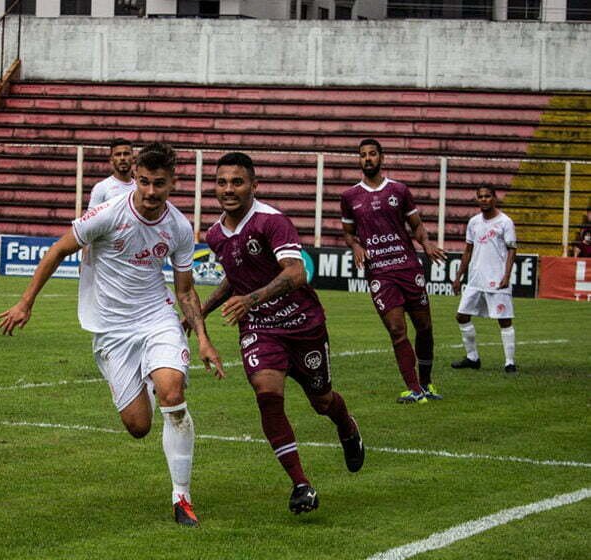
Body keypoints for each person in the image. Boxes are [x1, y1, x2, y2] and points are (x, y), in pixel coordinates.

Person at [0, 142, 225, 527]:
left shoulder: (179, 227)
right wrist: (25, 303)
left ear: (173, 182)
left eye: (160, 184)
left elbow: (185, 290)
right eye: (144, 182)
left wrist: (202, 338)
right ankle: (151, 381)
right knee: (139, 426)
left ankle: (181, 497)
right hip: (111, 329)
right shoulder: (106, 214)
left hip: (157, 317)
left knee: (173, 393)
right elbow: (56, 251)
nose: (151, 192)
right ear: (134, 177)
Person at [199, 152, 364, 515]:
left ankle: (347, 425)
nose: (228, 189)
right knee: (267, 393)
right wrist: (202, 311)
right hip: (260, 328)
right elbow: (236, 276)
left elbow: (295, 273)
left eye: (237, 182)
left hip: (302, 324)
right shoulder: (214, 234)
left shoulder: (272, 222)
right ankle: (300, 484)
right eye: (222, 182)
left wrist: (251, 298)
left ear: (253, 185)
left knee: (322, 401)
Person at [340, 139, 447, 404]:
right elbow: (348, 233)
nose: (367, 159)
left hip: (408, 266)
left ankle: (426, 382)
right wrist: (355, 247)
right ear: (359, 160)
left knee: (424, 327)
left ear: (381, 157)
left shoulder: (399, 190)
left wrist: (426, 243)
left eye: (372, 154)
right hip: (379, 272)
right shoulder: (349, 197)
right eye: (363, 155)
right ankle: (413, 389)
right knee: (397, 330)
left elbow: (417, 225)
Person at [451, 187, 518, 373]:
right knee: (462, 316)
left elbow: (512, 249)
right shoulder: (473, 223)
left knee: (504, 320)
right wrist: (459, 277)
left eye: (487, 196)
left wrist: (506, 275)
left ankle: (509, 362)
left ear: (494, 198)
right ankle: (473, 358)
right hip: (475, 279)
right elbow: (468, 250)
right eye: (480, 196)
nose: (484, 199)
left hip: (496, 279)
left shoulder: (505, 222)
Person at [87, 138, 135, 209]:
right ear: (111, 160)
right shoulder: (101, 187)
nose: (122, 158)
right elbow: (90, 218)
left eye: (126, 154)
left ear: (133, 159)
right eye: (118, 154)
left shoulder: (139, 187)